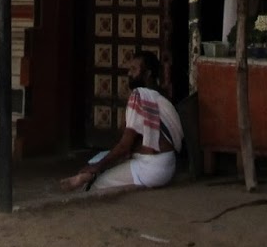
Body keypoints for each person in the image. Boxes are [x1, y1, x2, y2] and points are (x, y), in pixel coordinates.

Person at [61, 51, 181, 193]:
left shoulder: (139, 96)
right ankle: (87, 175)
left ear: (147, 74)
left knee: (94, 185)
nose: (129, 74)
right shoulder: (162, 95)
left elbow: (124, 145)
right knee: (102, 158)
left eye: (134, 70)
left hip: (150, 168)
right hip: (169, 165)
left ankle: (86, 179)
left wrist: (98, 167)